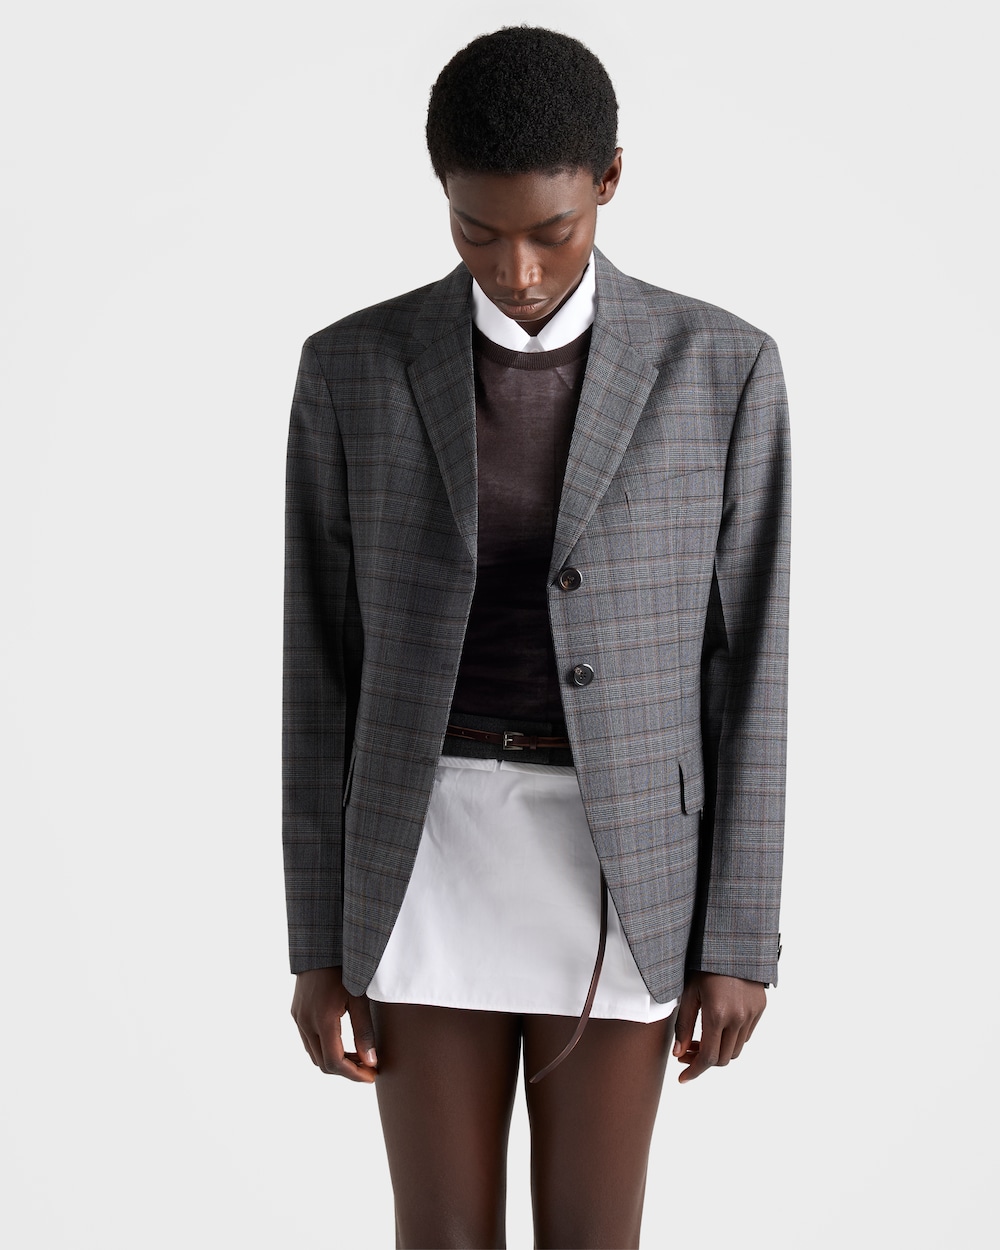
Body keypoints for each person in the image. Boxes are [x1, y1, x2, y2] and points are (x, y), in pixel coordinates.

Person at [283, 26, 789, 1250]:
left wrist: (738, 937)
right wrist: (317, 941)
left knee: (591, 1234)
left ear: (608, 180)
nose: (515, 268)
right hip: (422, 854)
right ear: (442, 195)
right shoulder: (352, 367)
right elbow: (317, 671)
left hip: (623, 863)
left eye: (551, 231)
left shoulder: (721, 368)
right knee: (440, 1233)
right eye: (477, 231)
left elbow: (752, 669)